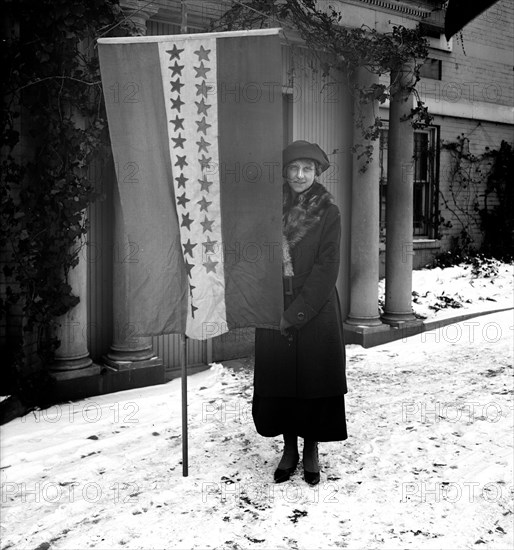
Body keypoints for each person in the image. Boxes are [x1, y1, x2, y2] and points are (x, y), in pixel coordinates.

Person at [252, 139, 347, 486]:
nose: (299, 175)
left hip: (315, 308)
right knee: (280, 383)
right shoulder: (268, 207)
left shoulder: (328, 212)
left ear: (317, 172)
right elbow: (256, 255)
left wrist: (295, 314)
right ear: (285, 171)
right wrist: (266, 304)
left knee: (313, 382)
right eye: (293, 168)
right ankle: (288, 448)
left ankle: (310, 450)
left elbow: (327, 268)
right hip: (272, 304)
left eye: (307, 168)